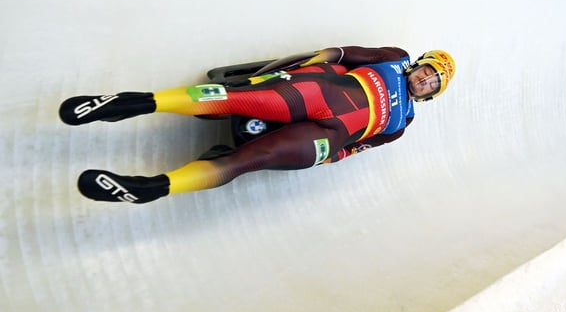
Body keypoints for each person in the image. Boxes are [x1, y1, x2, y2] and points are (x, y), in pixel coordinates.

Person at [59, 46, 455, 205]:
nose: (424, 80)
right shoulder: (393, 57)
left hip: (329, 135)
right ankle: (131, 103)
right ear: (418, 63)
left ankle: (150, 189)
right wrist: (278, 72)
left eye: (432, 83)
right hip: (318, 91)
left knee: (255, 158)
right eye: (427, 71)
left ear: (429, 95)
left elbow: (357, 149)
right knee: (234, 98)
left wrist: (330, 157)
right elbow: (338, 52)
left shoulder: (401, 125)